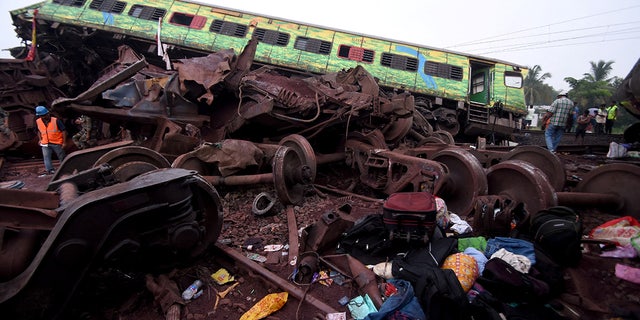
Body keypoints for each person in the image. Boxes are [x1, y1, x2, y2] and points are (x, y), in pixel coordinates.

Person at [35, 106, 66, 175]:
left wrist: (64, 142)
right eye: (41, 116)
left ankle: (64, 169)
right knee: (46, 157)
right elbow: (38, 131)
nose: (43, 117)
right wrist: (40, 140)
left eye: (44, 115)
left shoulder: (56, 120)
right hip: (45, 143)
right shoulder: (38, 122)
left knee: (61, 156)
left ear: (48, 113)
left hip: (56, 142)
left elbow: (63, 131)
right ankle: (50, 170)